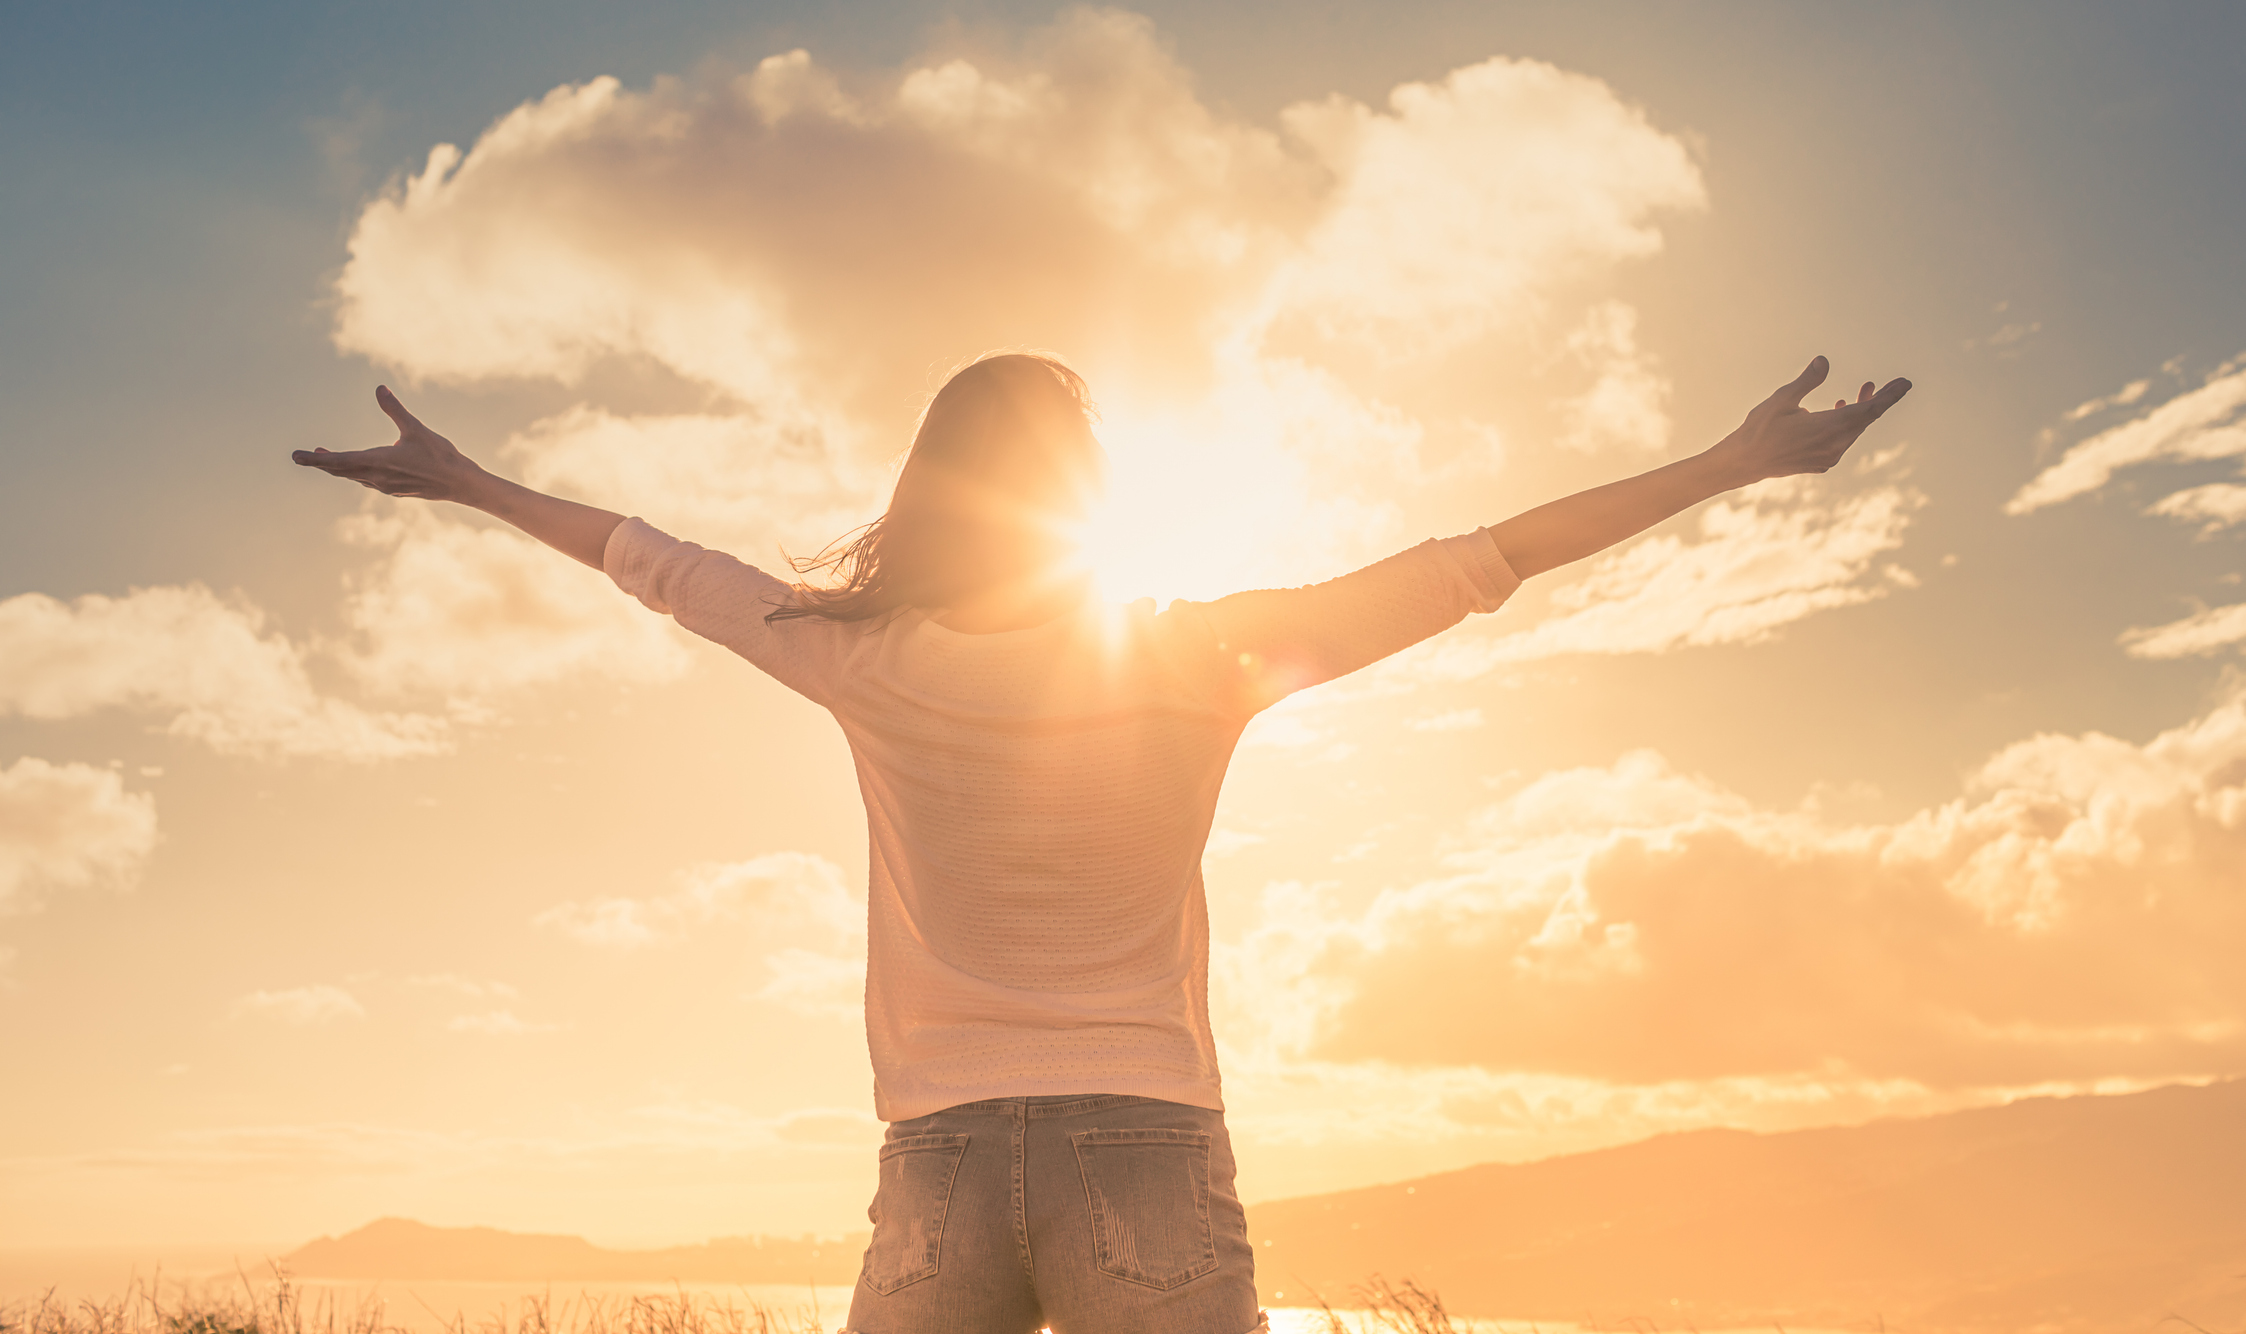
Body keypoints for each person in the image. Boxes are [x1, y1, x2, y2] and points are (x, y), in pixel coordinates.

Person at [295, 351, 1909, 1334]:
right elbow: (1481, 558)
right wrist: (1726, 463)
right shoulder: (1197, 657)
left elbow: (649, 557)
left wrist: (468, 482)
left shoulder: (858, 653)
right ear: (1085, 495)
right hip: (1146, 1150)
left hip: (934, 1162)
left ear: (931, 486)